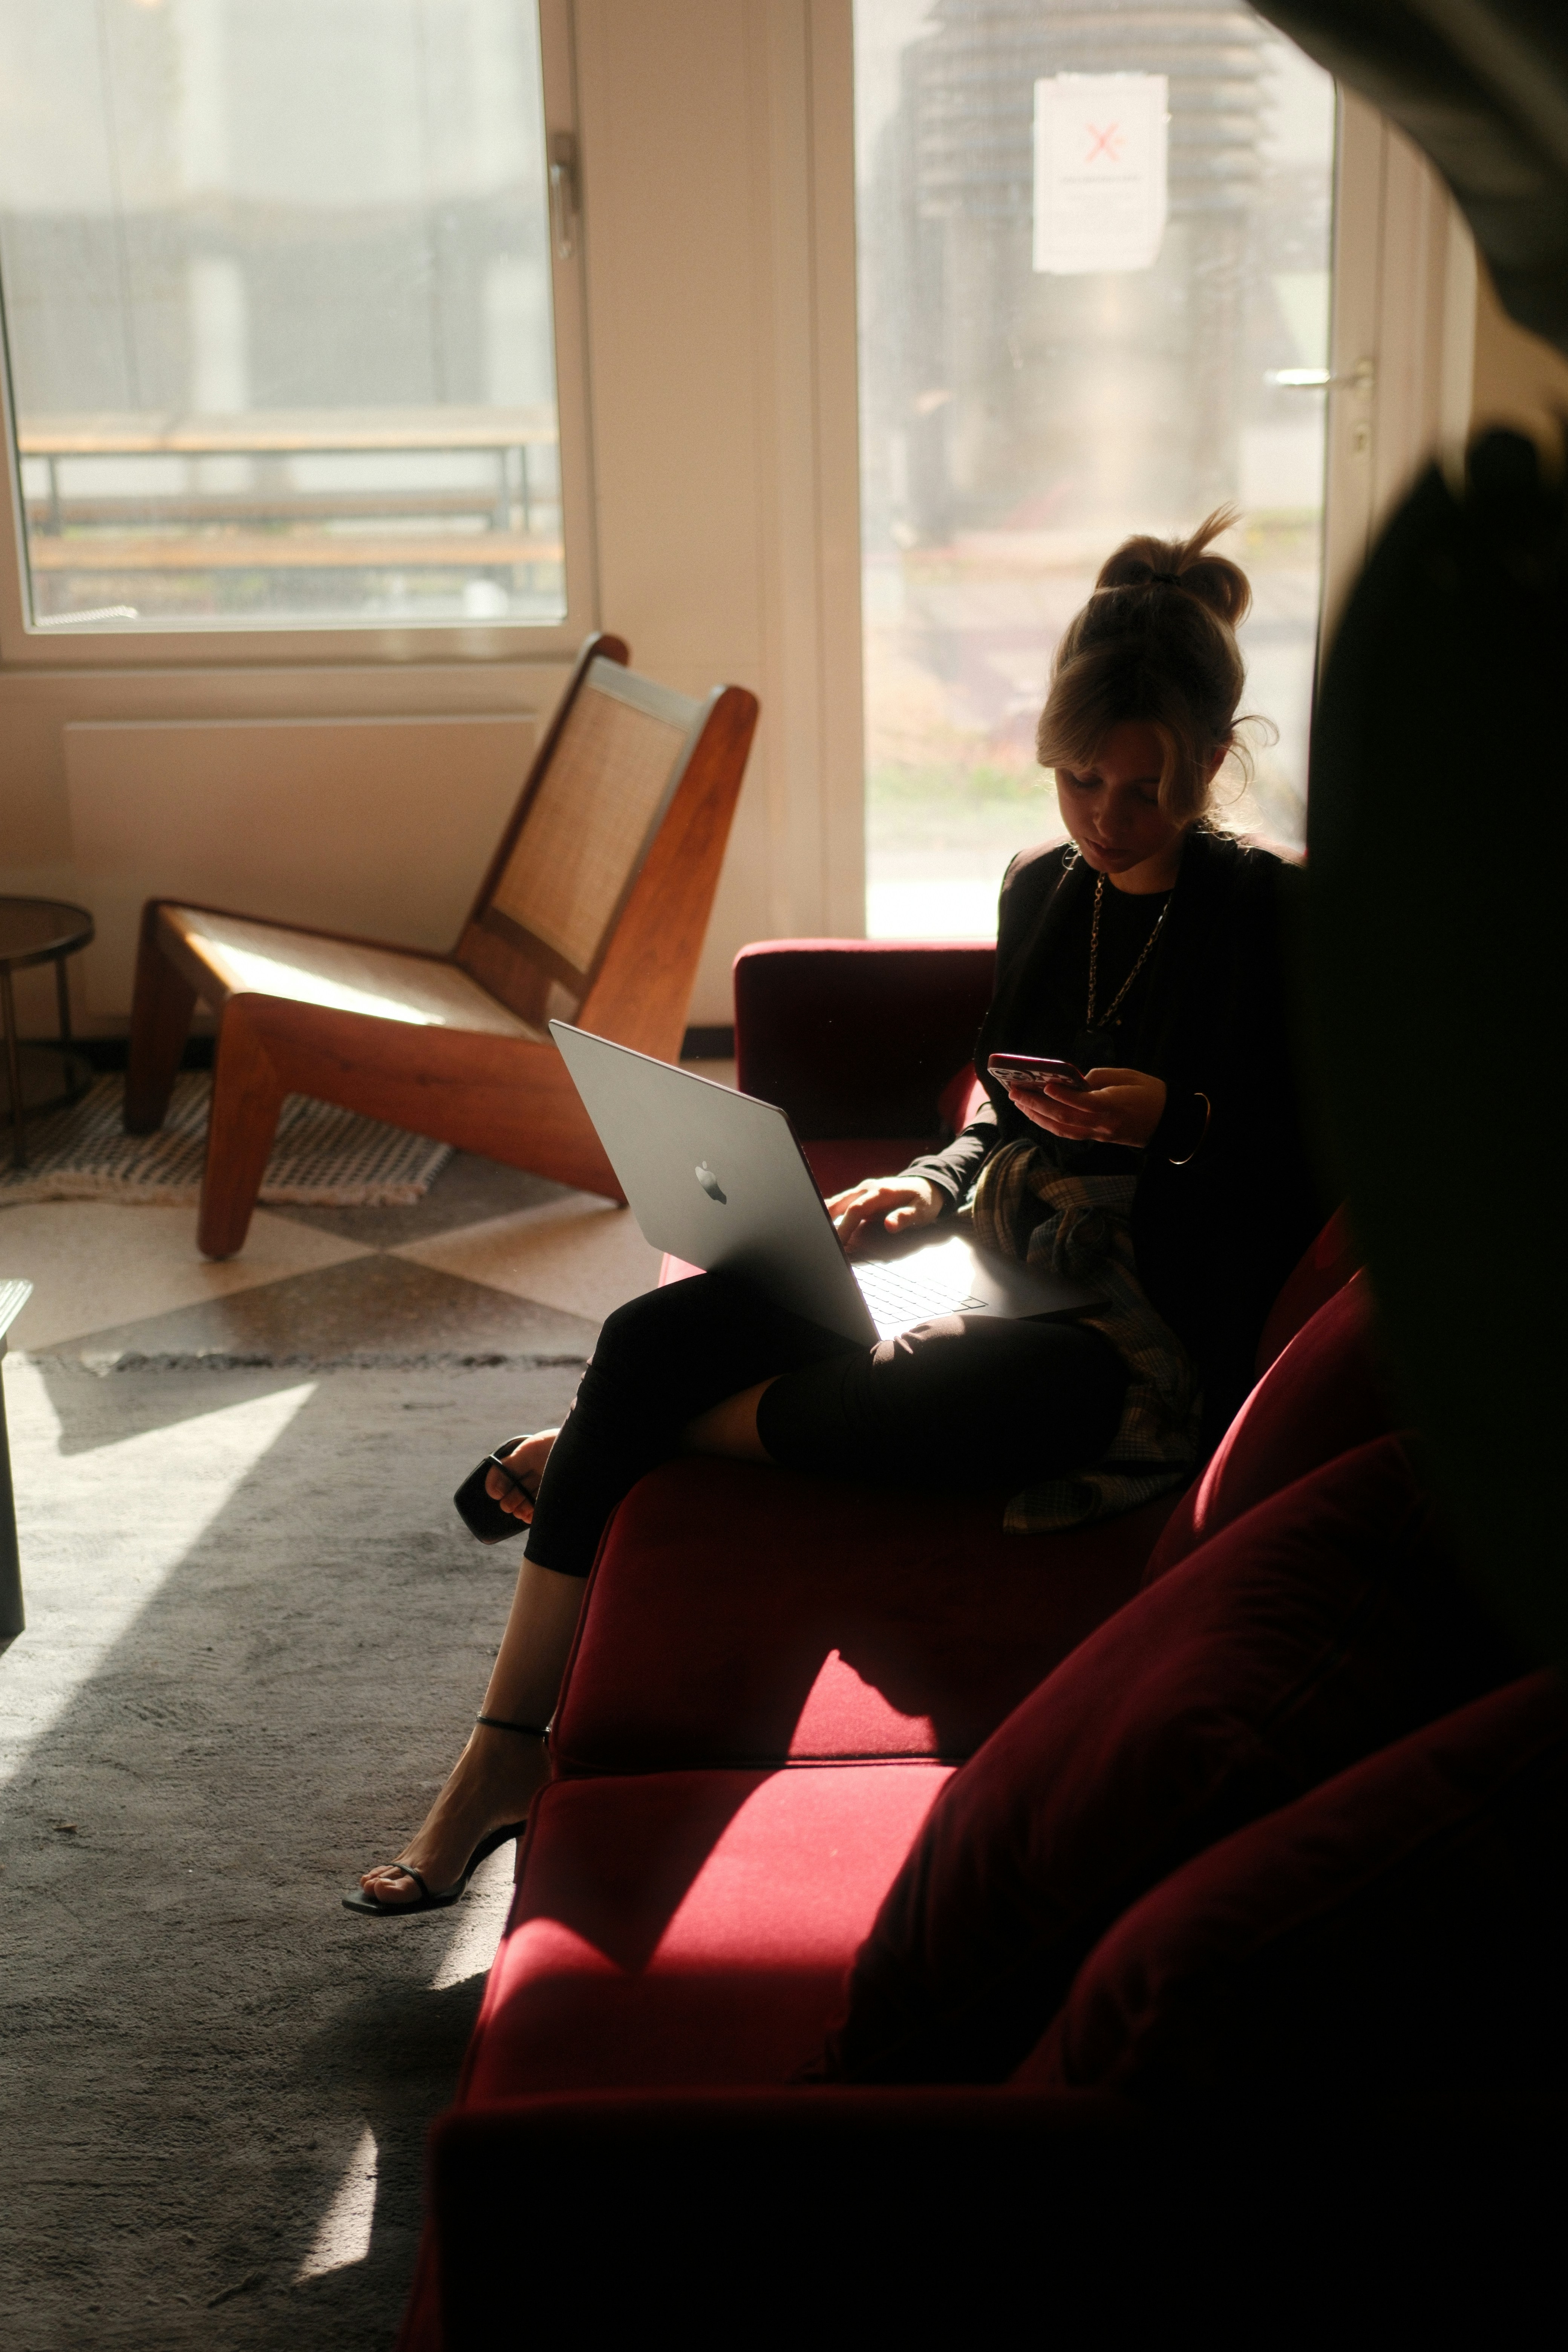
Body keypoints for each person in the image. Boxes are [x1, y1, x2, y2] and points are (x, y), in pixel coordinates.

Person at [348, 509, 1321, 1915]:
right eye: (1078, 781)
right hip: (993, 1255)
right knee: (649, 1330)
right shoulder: (1041, 889)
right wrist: (922, 1185)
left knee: (944, 1387)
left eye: (1145, 790)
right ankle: (501, 1751)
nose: (1107, 819)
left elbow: (1322, 1165)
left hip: (1135, 1333)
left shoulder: (1271, 919)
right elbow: (999, 1100)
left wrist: (1177, 1121)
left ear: (1214, 764)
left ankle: (605, 1453)